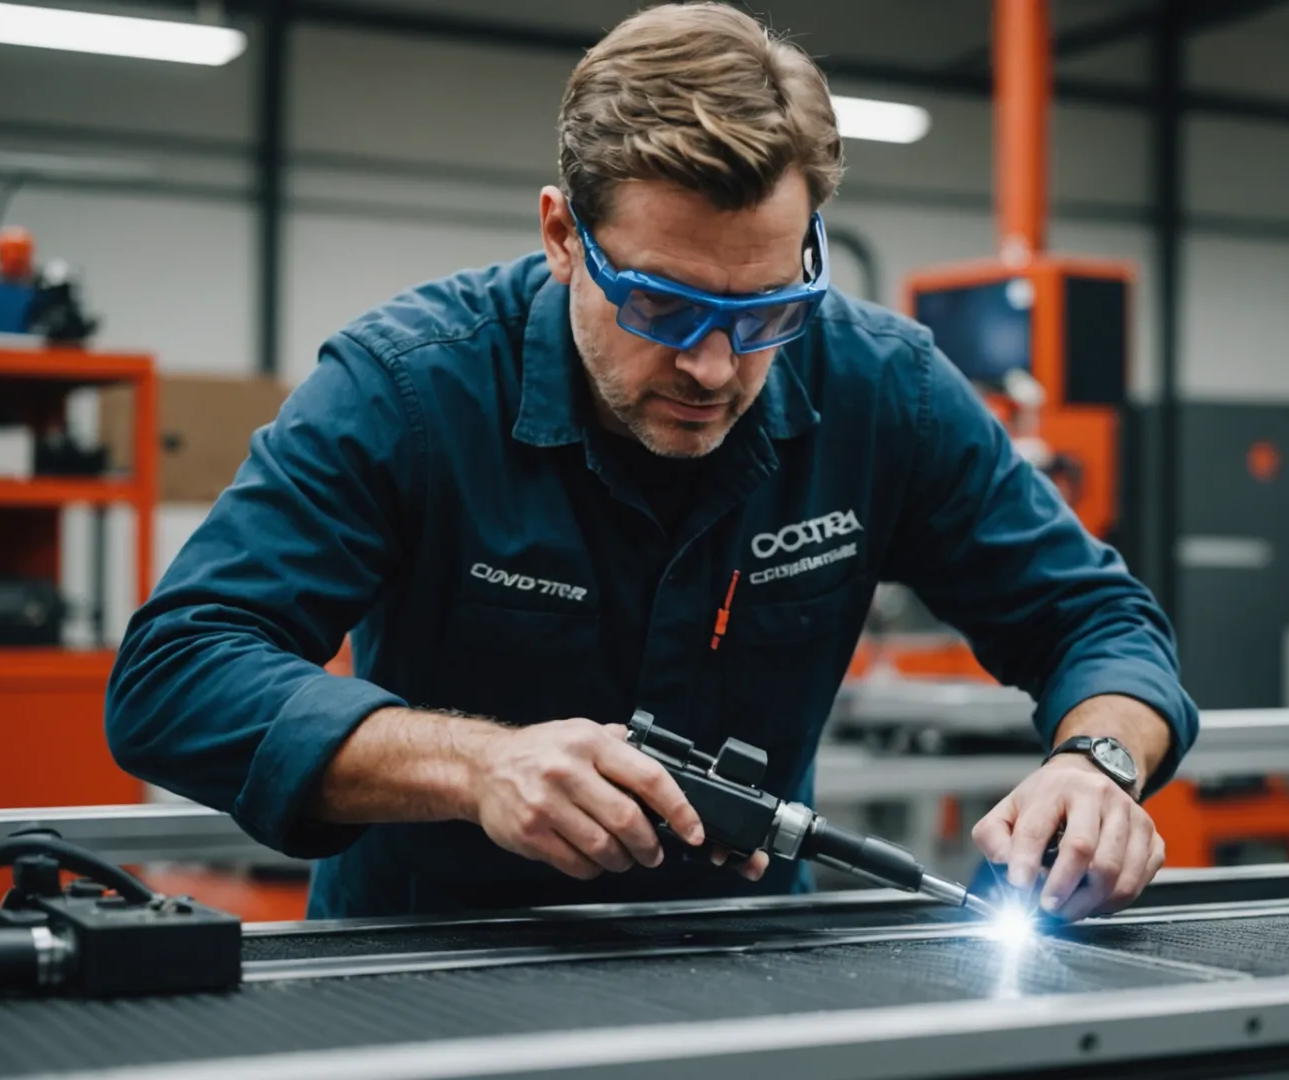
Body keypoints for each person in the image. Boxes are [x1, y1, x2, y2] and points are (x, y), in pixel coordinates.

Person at [106, 2, 1198, 925]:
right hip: (431, 966)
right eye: (664, 306)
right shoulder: (411, 390)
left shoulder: (885, 390)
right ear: (562, 236)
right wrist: (478, 766)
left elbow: (1094, 620)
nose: (714, 366)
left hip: (745, 963)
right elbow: (177, 674)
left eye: (765, 310)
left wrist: (1095, 764)